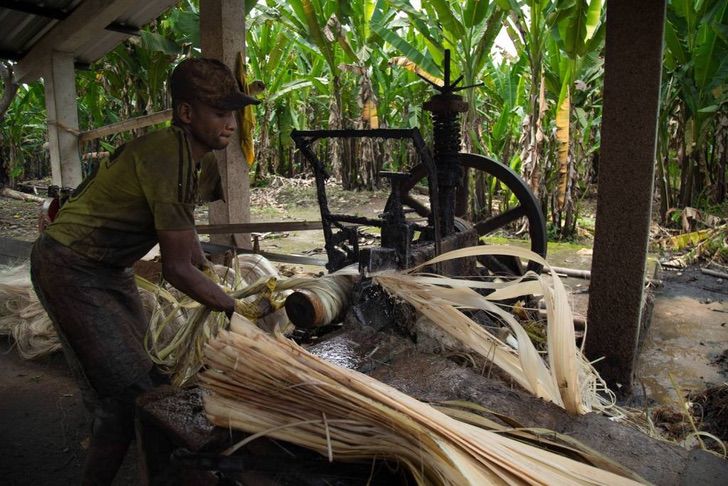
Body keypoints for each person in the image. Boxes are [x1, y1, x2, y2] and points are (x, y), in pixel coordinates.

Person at [30, 57, 259, 485]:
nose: (231, 124)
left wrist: (210, 272)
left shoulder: (200, 161)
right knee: (135, 395)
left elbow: (185, 238)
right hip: (70, 266)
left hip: (109, 270)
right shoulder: (164, 153)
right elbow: (174, 269)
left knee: (141, 382)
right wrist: (236, 310)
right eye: (220, 113)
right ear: (187, 113)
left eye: (234, 113)